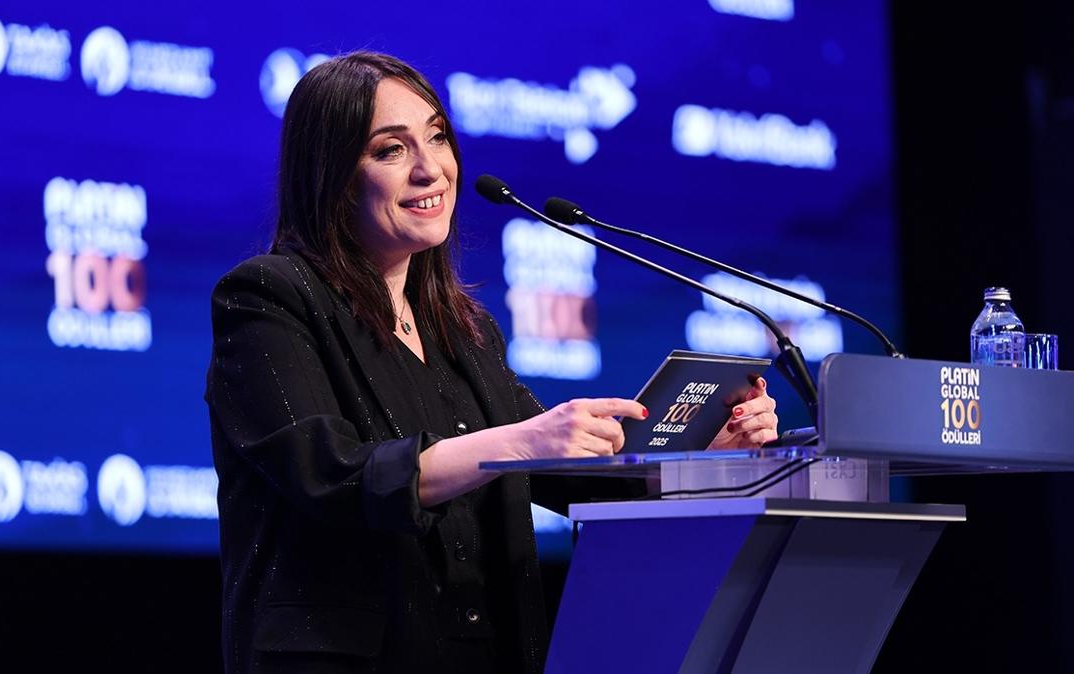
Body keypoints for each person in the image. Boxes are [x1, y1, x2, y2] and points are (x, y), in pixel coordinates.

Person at [205, 51, 779, 674]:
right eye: (391, 150)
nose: (431, 169)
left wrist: (704, 452)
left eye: (437, 138)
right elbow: (329, 474)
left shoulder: (466, 332)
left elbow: (574, 478)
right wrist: (519, 442)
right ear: (332, 175)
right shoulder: (269, 298)